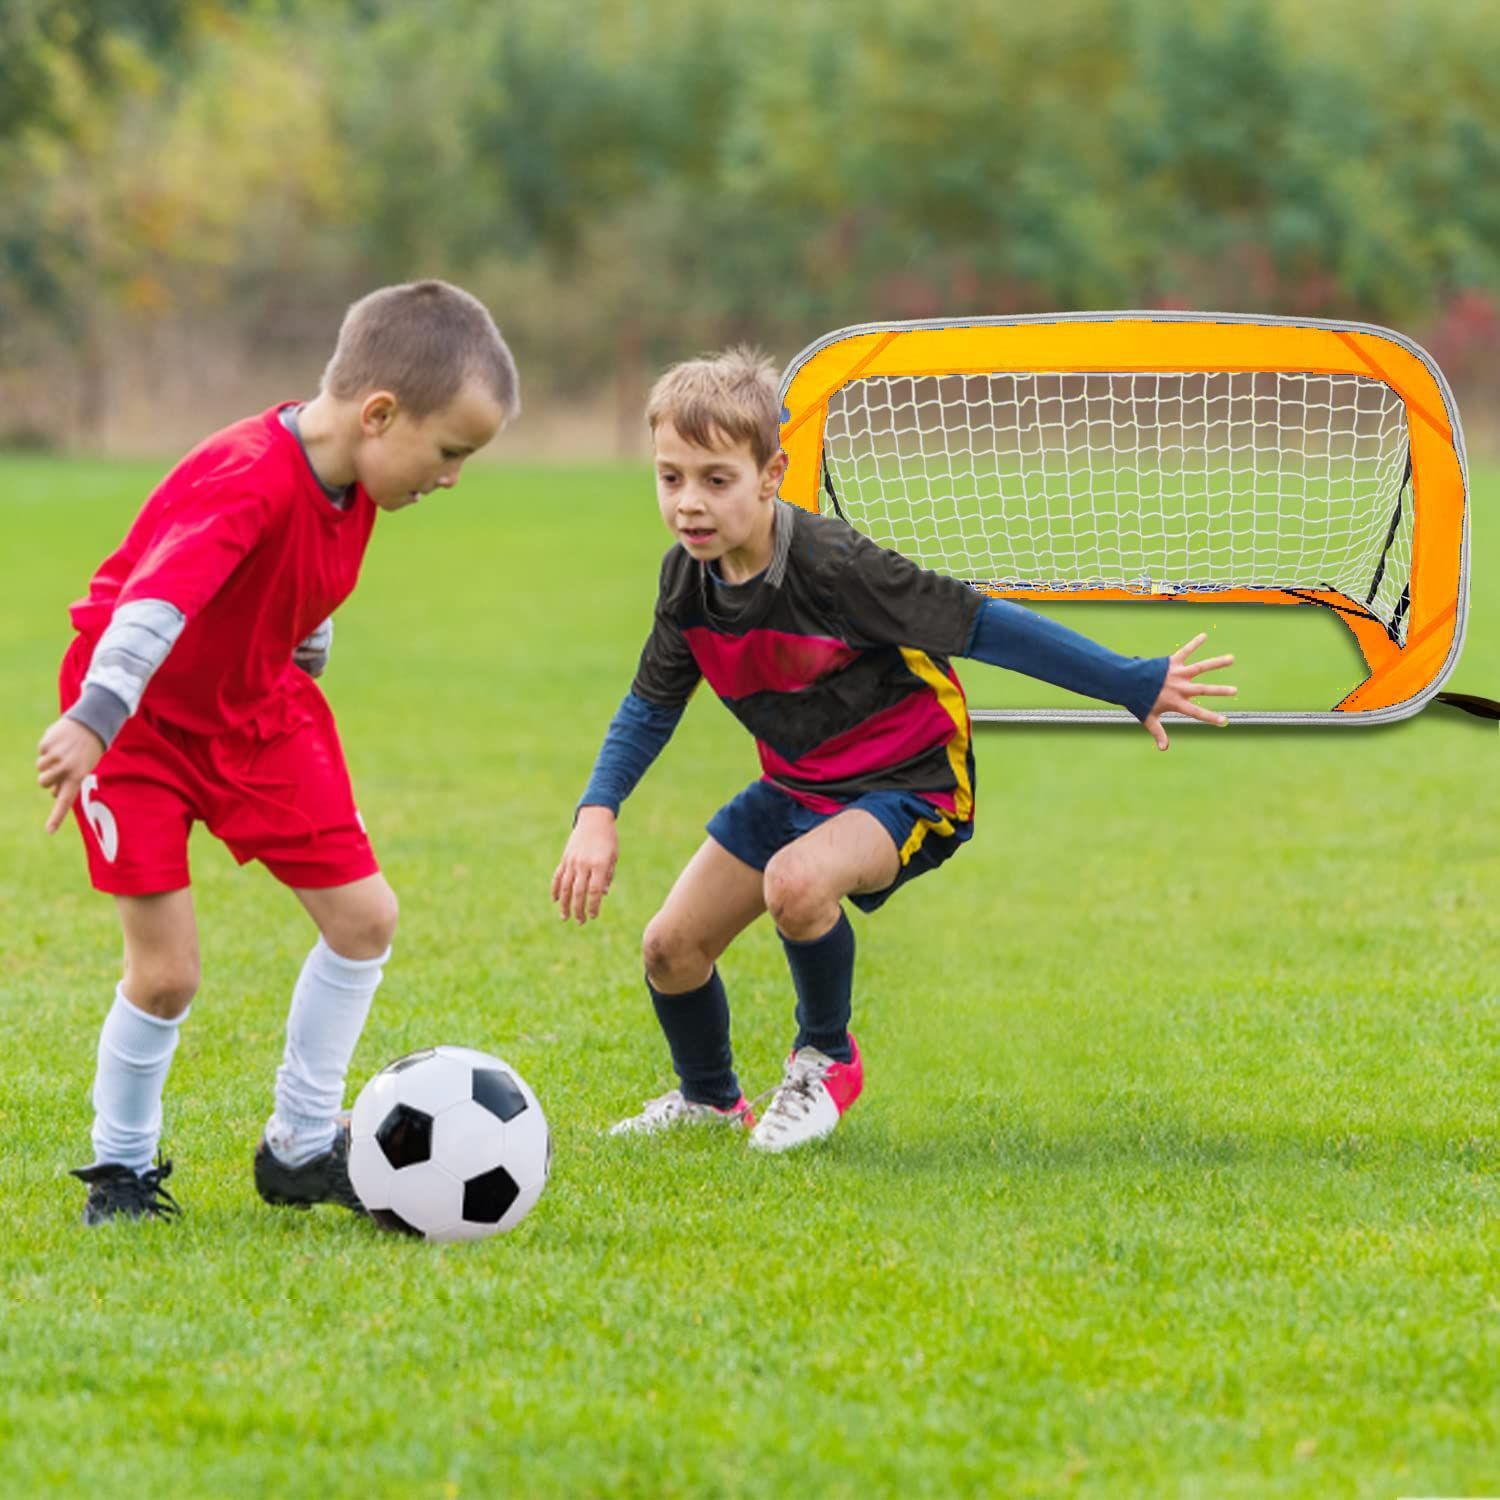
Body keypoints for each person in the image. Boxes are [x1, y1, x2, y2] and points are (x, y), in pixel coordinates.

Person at [551, 347, 1235, 1153]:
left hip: (910, 783)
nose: (688, 504)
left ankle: (826, 1059)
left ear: (772, 474)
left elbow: (985, 626)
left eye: (715, 479)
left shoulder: (836, 568)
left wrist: (1130, 680)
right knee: (670, 948)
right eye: (671, 478)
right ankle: (709, 1100)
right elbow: (650, 704)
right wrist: (598, 811)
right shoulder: (685, 583)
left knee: (796, 883)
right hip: (797, 787)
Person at [36, 280, 519, 1223]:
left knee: (364, 919)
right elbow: (156, 604)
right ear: (379, 414)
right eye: (450, 451)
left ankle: (300, 1146)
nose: (453, 475)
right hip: (138, 723)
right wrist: (95, 719)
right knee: (167, 972)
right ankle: (121, 1171)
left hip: (257, 712)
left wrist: (307, 640)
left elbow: (297, 577)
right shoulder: (247, 473)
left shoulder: (355, 477)